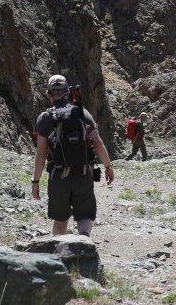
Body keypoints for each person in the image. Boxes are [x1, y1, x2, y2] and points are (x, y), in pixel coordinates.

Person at [31, 75, 115, 236]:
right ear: (68, 92)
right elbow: (98, 143)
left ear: (49, 95)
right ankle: (84, 245)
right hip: (83, 174)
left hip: (58, 177)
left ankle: (60, 256)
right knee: (84, 215)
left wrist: (35, 181)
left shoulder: (45, 118)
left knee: (61, 220)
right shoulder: (82, 113)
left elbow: (41, 153)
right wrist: (108, 166)